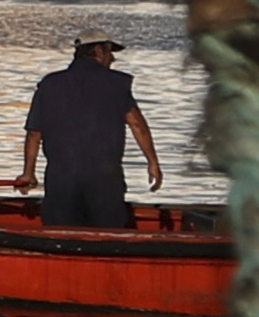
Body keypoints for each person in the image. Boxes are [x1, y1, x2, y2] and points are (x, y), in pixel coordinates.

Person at [18, 33, 163, 228]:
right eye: (110, 52)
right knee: (107, 234)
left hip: (61, 178)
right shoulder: (115, 83)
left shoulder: (49, 84)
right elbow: (137, 124)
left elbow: (34, 133)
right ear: (98, 51)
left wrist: (28, 173)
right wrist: (152, 162)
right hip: (103, 177)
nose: (113, 58)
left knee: (60, 233)